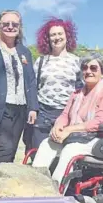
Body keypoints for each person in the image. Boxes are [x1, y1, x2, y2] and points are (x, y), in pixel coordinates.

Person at [32, 53, 103, 192]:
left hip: (100, 138)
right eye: (85, 68)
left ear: (102, 73)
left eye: (93, 68)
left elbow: (100, 122)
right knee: (47, 144)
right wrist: (59, 126)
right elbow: (65, 115)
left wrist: (69, 130)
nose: (88, 71)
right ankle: (35, 186)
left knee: (70, 150)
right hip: (76, 136)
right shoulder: (77, 93)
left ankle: (55, 192)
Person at [0, 9, 38, 164]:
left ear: (20, 27)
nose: (10, 27)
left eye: (14, 24)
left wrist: (32, 107)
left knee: (12, 149)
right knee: (5, 147)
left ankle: (3, 185)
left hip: (21, 107)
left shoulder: (25, 52)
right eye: (6, 24)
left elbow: (30, 80)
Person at [23, 17, 83, 154]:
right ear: (47, 39)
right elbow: (33, 87)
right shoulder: (41, 61)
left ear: (67, 36)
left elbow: (80, 90)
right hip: (43, 113)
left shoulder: (76, 61)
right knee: (38, 154)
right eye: (52, 35)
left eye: (60, 34)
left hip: (66, 115)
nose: (56, 37)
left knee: (61, 155)